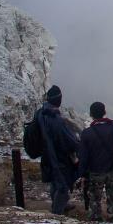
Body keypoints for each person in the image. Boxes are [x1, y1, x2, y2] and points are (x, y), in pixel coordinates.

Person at [35, 85, 79, 215]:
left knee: (55, 181)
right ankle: (57, 214)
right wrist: (78, 147)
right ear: (58, 100)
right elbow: (68, 140)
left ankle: (60, 205)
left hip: (47, 154)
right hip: (58, 157)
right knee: (62, 185)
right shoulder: (56, 119)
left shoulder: (41, 113)